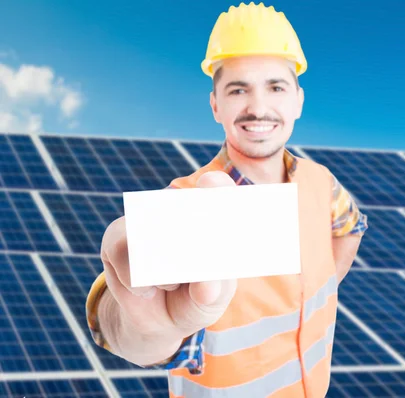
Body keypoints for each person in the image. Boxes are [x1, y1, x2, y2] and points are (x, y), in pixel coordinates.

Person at [86, 2, 368, 397]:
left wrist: (323, 284)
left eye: (276, 86)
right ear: (215, 104)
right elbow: (116, 318)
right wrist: (149, 327)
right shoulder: (189, 200)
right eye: (239, 89)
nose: (258, 107)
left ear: (298, 101)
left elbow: (351, 227)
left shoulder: (320, 181)